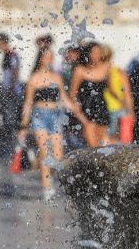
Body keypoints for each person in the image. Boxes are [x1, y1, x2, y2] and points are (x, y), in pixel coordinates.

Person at [19, 46, 87, 199]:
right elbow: (28, 102)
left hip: (56, 115)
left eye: (52, 56)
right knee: (44, 152)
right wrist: (23, 125)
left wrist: (80, 116)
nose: (50, 59)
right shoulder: (33, 79)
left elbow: (64, 99)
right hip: (39, 116)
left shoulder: (57, 77)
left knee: (57, 156)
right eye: (47, 56)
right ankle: (46, 187)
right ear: (41, 59)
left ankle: (47, 176)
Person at [69, 41, 112, 147]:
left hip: (102, 109)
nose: (96, 55)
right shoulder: (80, 70)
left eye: (99, 52)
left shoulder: (106, 68)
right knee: (92, 147)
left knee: (103, 147)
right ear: (88, 54)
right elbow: (72, 94)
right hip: (86, 112)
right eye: (93, 52)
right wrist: (78, 113)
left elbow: (110, 89)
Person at [102, 45, 135, 143]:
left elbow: (111, 88)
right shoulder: (118, 71)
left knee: (109, 136)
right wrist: (130, 109)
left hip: (109, 107)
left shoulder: (102, 72)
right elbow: (127, 93)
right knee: (120, 138)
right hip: (120, 106)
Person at [0, 33, 23, 143]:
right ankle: (9, 142)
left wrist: (10, 89)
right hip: (8, 90)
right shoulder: (6, 54)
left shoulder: (11, 55)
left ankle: (12, 144)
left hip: (12, 92)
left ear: (2, 42)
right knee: (7, 118)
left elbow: (15, 71)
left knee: (10, 118)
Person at [60, 45, 86, 151]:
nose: (72, 55)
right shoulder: (65, 67)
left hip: (80, 102)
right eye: (70, 52)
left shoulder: (79, 67)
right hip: (68, 102)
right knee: (70, 129)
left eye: (75, 53)